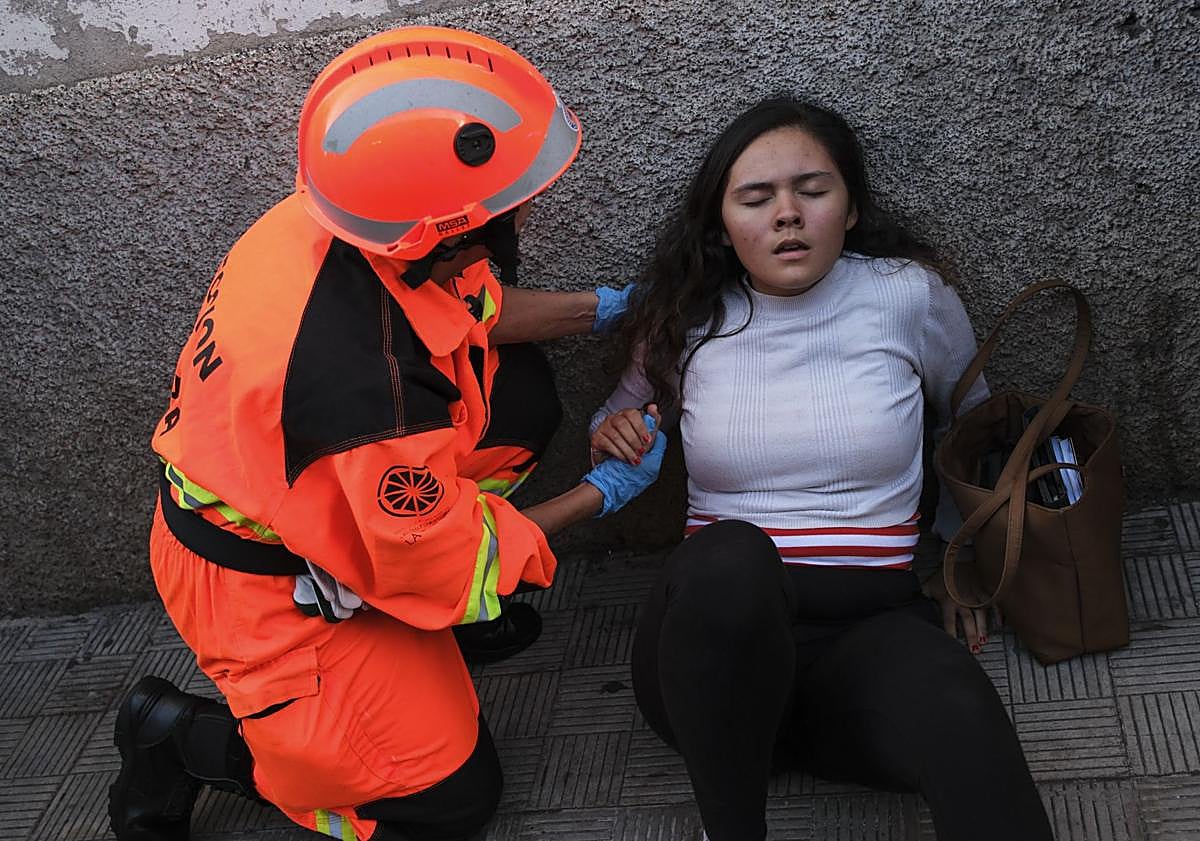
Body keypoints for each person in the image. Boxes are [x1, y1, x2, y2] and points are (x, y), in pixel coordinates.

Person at [108, 26, 666, 841]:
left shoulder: (346, 220)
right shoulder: (364, 390)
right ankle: (183, 739)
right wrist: (600, 492)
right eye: (511, 205)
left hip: (311, 491)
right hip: (267, 591)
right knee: (449, 802)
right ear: (446, 228)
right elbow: (457, 556)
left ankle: (413, 626)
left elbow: (463, 306)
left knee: (518, 400)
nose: (529, 209)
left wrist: (611, 307)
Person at [590, 97, 1053, 841]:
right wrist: (609, 433)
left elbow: (969, 430)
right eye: (756, 197)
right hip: (712, 658)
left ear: (852, 207)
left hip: (864, 636)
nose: (787, 215)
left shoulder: (907, 295)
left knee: (961, 706)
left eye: (812, 190)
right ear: (720, 223)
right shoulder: (687, 315)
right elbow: (618, 419)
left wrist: (956, 563)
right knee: (733, 557)